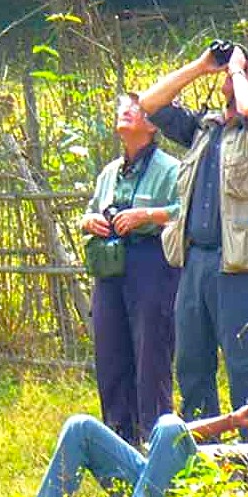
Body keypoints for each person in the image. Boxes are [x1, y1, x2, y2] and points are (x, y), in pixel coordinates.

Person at [138, 43, 248, 432]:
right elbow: (150, 103)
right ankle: (203, 454)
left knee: (244, 362)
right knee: (191, 363)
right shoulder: (205, 130)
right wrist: (201, 66)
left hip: (237, 264)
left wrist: (238, 71)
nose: (234, 74)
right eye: (235, 70)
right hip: (195, 261)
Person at [80, 93, 181, 445]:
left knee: (150, 354)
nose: (125, 111)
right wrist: (90, 221)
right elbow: (91, 209)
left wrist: (146, 216)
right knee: (110, 352)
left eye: (136, 108)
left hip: (151, 264)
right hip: (110, 269)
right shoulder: (109, 172)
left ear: (153, 125)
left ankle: (155, 441)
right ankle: (117, 441)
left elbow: (186, 210)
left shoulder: (171, 169)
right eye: (122, 106)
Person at [31, 401, 248, 497]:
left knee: (169, 424)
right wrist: (232, 420)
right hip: (157, 487)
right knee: (80, 427)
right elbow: (174, 438)